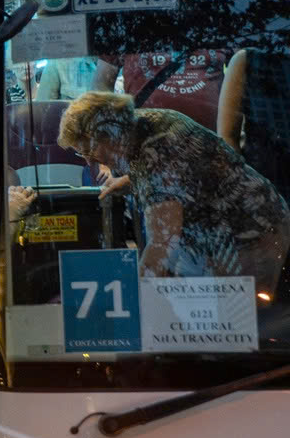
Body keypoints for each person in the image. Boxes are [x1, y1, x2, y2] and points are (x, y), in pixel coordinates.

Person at [58, 89, 290, 289]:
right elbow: (181, 177)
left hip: (250, 236)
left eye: (89, 151)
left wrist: (129, 301)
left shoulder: (158, 148)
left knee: (237, 318)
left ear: (109, 135)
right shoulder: (141, 124)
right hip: (228, 234)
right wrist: (129, 181)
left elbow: (162, 247)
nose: (89, 161)